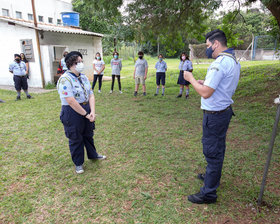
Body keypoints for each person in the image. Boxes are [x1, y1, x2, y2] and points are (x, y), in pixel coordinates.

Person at [183, 29, 240, 204]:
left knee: (212, 151)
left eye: (208, 45)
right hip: (223, 112)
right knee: (218, 148)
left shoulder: (220, 63)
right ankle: (212, 177)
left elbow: (206, 93)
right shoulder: (232, 60)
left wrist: (191, 79)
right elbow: (217, 86)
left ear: (216, 44)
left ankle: (208, 193)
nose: (207, 48)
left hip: (215, 116)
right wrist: (204, 82)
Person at [57, 51, 106, 174]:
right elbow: (71, 100)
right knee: (75, 137)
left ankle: (93, 154)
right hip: (72, 112)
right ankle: (78, 163)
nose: (81, 64)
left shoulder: (83, 77)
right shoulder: (65, 79)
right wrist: (85, 114)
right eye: (77, 62)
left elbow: (91, 94)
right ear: (70, 64)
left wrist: (92, 112)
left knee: (88, 134)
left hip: (86, 108)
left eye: (81, 61)